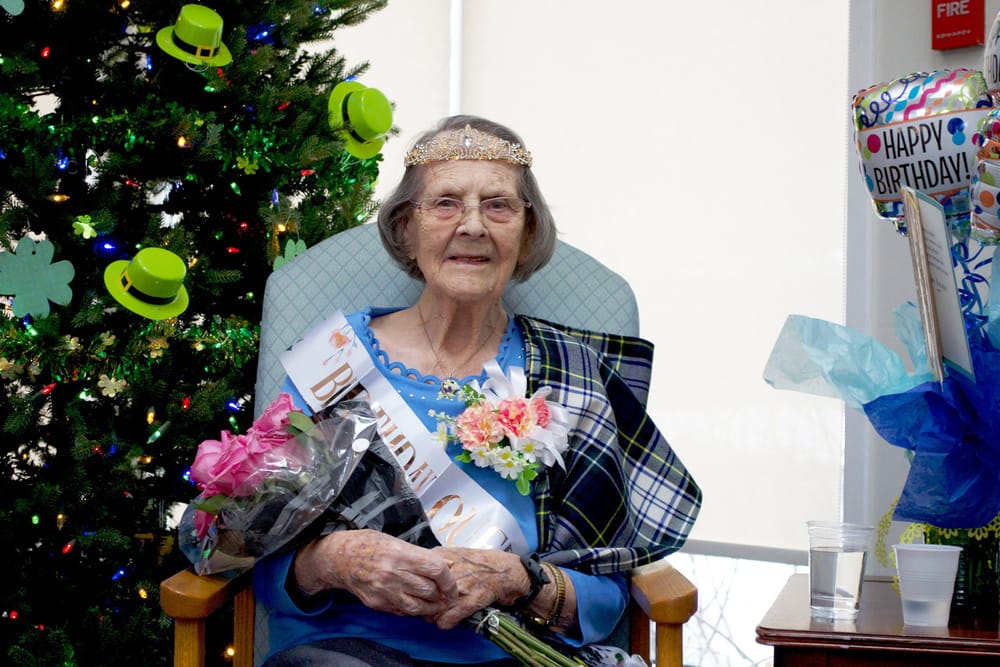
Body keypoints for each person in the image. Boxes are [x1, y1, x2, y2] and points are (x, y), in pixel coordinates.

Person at [253, 115, 702, 666]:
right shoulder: (331, 358)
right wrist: (333, 561)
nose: (473, 225)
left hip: (515, 653)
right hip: (345, 652)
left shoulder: (571, 371)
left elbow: (605, 597)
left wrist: (518, 579)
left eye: (498, 205)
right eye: (445, 203)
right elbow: (259, 555)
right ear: (406, 229)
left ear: (527, 232)